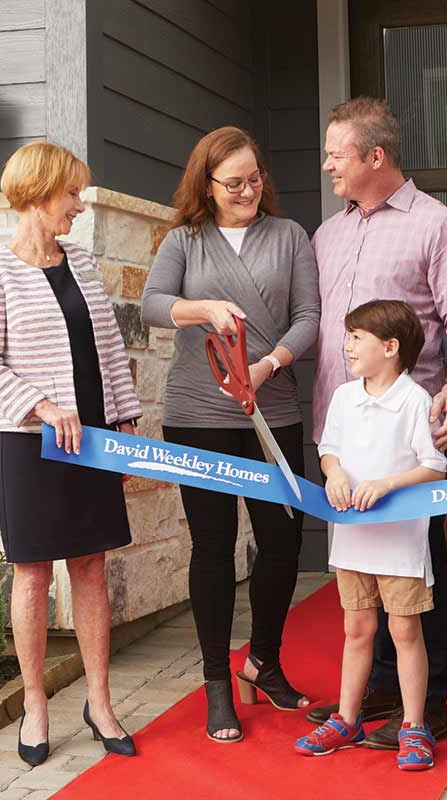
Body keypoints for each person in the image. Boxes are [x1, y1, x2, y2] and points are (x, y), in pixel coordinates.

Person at [304, 97, 447, 751]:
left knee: (417, 566)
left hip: (406, 434)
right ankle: (379, 688)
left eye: (336, 153)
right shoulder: (326, 235)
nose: (327, 163)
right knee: (360, 564)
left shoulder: (436, 225)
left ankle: (429, 703)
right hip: (343, 432)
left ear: (374, 156)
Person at [0, 140, 141, 765]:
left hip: (92, 439)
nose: (79, 206)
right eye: (71, 194)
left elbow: (110, 352)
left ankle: (100, 700)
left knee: (91, 567)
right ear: (38, 195)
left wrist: (123, 422)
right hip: (34, 445)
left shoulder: (84, 263)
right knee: (34, 573)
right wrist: (42, 407)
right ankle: (35, 702)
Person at [140, 126, 322, 743]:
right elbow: (151, 303)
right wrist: (205, 308)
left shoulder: (290, 236)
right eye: (233, 183)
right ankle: (217, 683)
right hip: (198, 414)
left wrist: (271, 364)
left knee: (282, 544)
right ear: (207, 186)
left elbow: (309, 318)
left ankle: (263, 660)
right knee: (213, 548)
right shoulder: (185, 240)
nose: (248, 190)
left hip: (273, 411)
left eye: (255, 178)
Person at [296, 300, 447, 767]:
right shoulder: (343, 397)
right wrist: (334, 473)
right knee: (356, 628)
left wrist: (387, 484)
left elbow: (435, 466)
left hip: (400, 543)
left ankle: (415, 724)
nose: (347, 345)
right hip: (353, 538)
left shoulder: (415, 400)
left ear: (390, 347)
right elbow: (329, 449)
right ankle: (346, 717)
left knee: (404, 630)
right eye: (348, 336)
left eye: (357, 337)